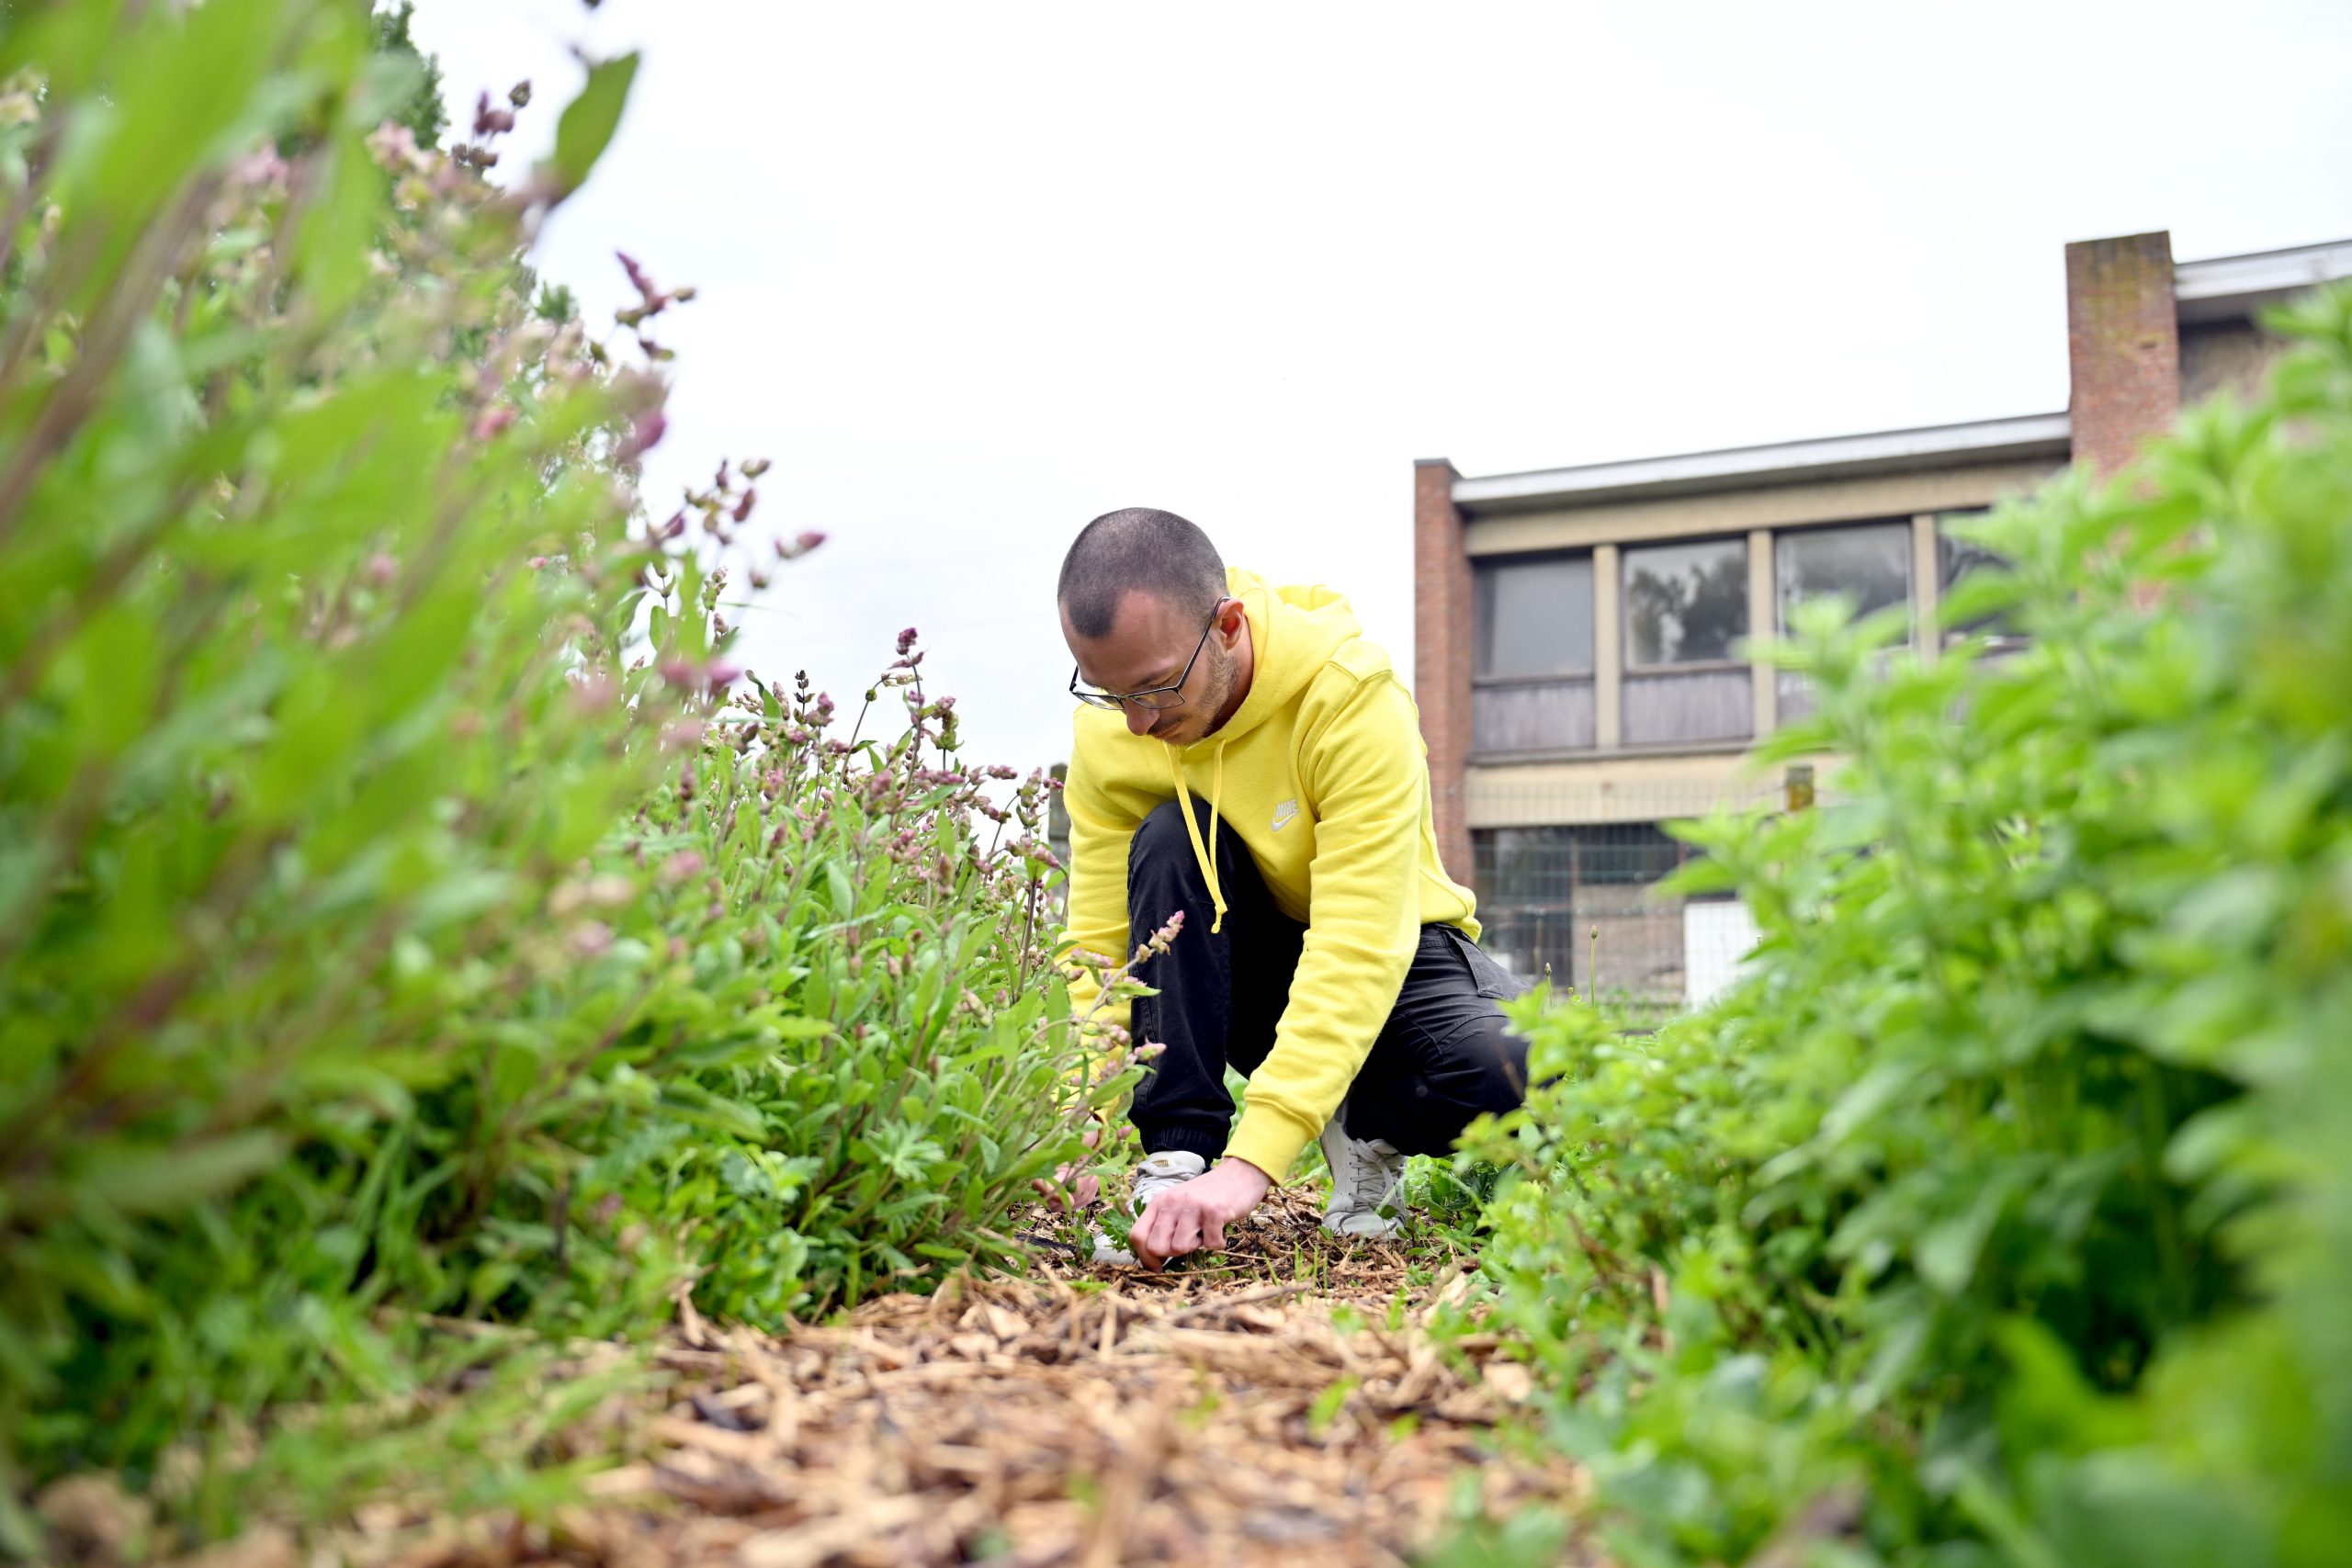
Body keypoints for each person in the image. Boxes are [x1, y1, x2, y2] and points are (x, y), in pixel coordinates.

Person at [1057, 507, 1530, 1270]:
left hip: (1395, 949)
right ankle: (1175, 1159)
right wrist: (1072, 1119)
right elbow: (1102, 951)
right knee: (1171, 838)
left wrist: (1253, 1164)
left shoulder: (1350, 697)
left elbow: (1358, 941)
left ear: (1229, 626)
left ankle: (1361, 1123)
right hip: (1240, 972)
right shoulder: (1112, 736)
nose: (1138, 723)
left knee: (1512, 1070)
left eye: (1156, 687)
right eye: (1110, 693)